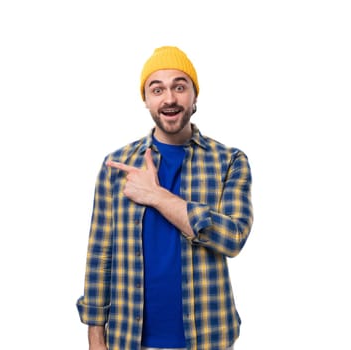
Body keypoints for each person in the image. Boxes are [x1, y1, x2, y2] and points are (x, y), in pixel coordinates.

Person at [76, 46, 254, 350]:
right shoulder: (117, 166)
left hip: (209, 336)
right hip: (128, 339)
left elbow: (233, 237)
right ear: (146, 100)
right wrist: (95, 337)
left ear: (194, 96)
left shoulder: (230, 160)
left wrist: (156, 196)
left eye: (179, 87)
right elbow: (99, 256)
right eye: (156, 89)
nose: (169, 98)